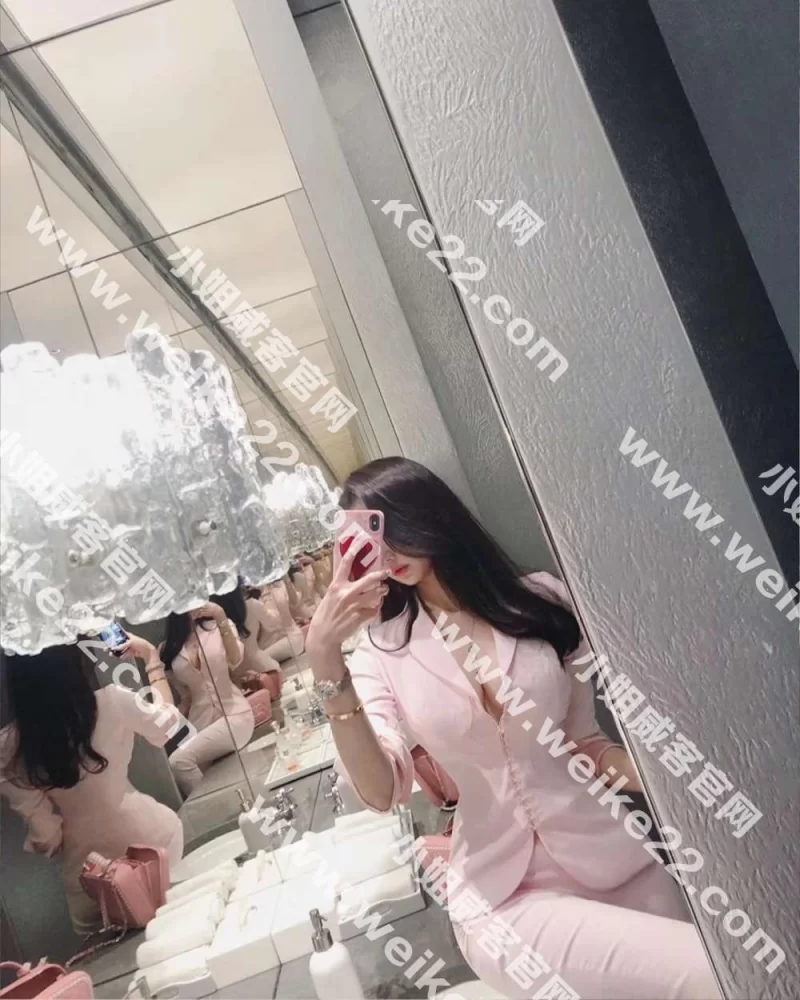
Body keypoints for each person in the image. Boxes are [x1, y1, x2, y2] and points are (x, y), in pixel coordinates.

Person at [307, 457, 721, 1000]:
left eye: (390, 528)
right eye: (366, 540)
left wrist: (670, 781)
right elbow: (383, 791)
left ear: (428, 514)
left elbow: (584, 744)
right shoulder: (381, 652)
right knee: (710, 973)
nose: (385, 553)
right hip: (502, 897)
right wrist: (324, 658)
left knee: (721, 972)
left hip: (616, 858)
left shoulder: (541, 600)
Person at [0, 644, 184, 934]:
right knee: (183, 931)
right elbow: (167, 726)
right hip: (153, 846)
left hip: (91, 880)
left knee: (120, 959)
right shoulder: (112, 701)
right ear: (73, 662)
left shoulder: (9, 747)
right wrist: (152, 659)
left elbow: (47, 835)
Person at [126, 591, 254, 795]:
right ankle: (227, 804)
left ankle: (217, 805)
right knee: (199, 774)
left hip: (235, 715)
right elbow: (186, 697)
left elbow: (235, 660)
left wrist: (220, 616)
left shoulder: (220, 627)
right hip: (199, 724)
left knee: (179, 762)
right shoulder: (168, 648)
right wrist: (168, 723)